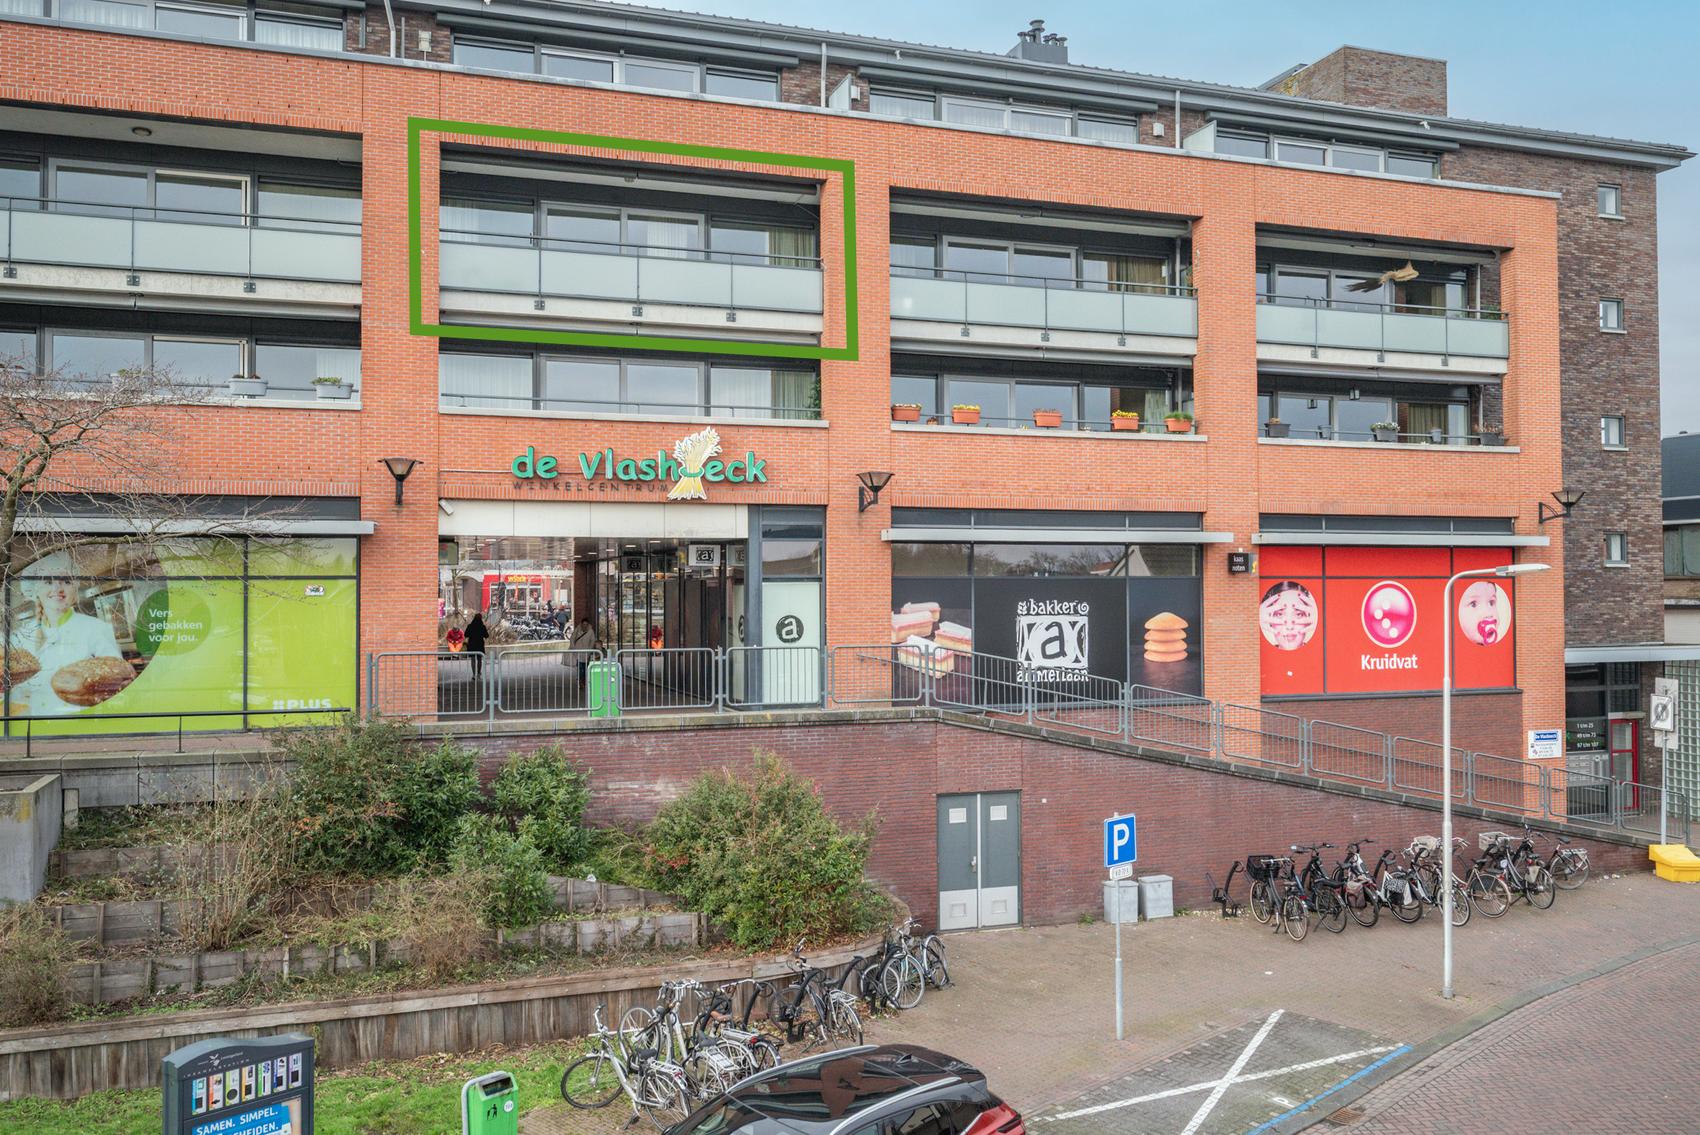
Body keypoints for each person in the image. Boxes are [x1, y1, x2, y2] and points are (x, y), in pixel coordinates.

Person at [10, 569, 128, 716]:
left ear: (75, 589)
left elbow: (116, 679)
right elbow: (16, 687)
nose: (57, 588)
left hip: (83, 719)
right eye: (48, 582)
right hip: (37, 719)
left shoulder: (97, 628)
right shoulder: (22, 635)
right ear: (36, 590)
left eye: (66, 581)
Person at [569, 617, 598, 681]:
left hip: (586, 652)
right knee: (579, 666)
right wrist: (573, 647)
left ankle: (584, 679)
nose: (585, 626)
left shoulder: (590, 631)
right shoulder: (577, 630)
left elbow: (592, 641)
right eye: (584, 624)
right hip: (578, 651)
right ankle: (580, 679)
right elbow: (572, 638)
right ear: (581, 624)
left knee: (585, 666)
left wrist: (589, 650)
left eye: (586, 624)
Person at [464, 612, 488, 679]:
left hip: (471, 644)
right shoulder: (482, 627)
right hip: (480, 644)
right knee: (479, 659)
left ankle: (474, 674)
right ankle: (479, 673)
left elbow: (466, 634)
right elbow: (486, 635)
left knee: (473, 659)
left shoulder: (470, 626)